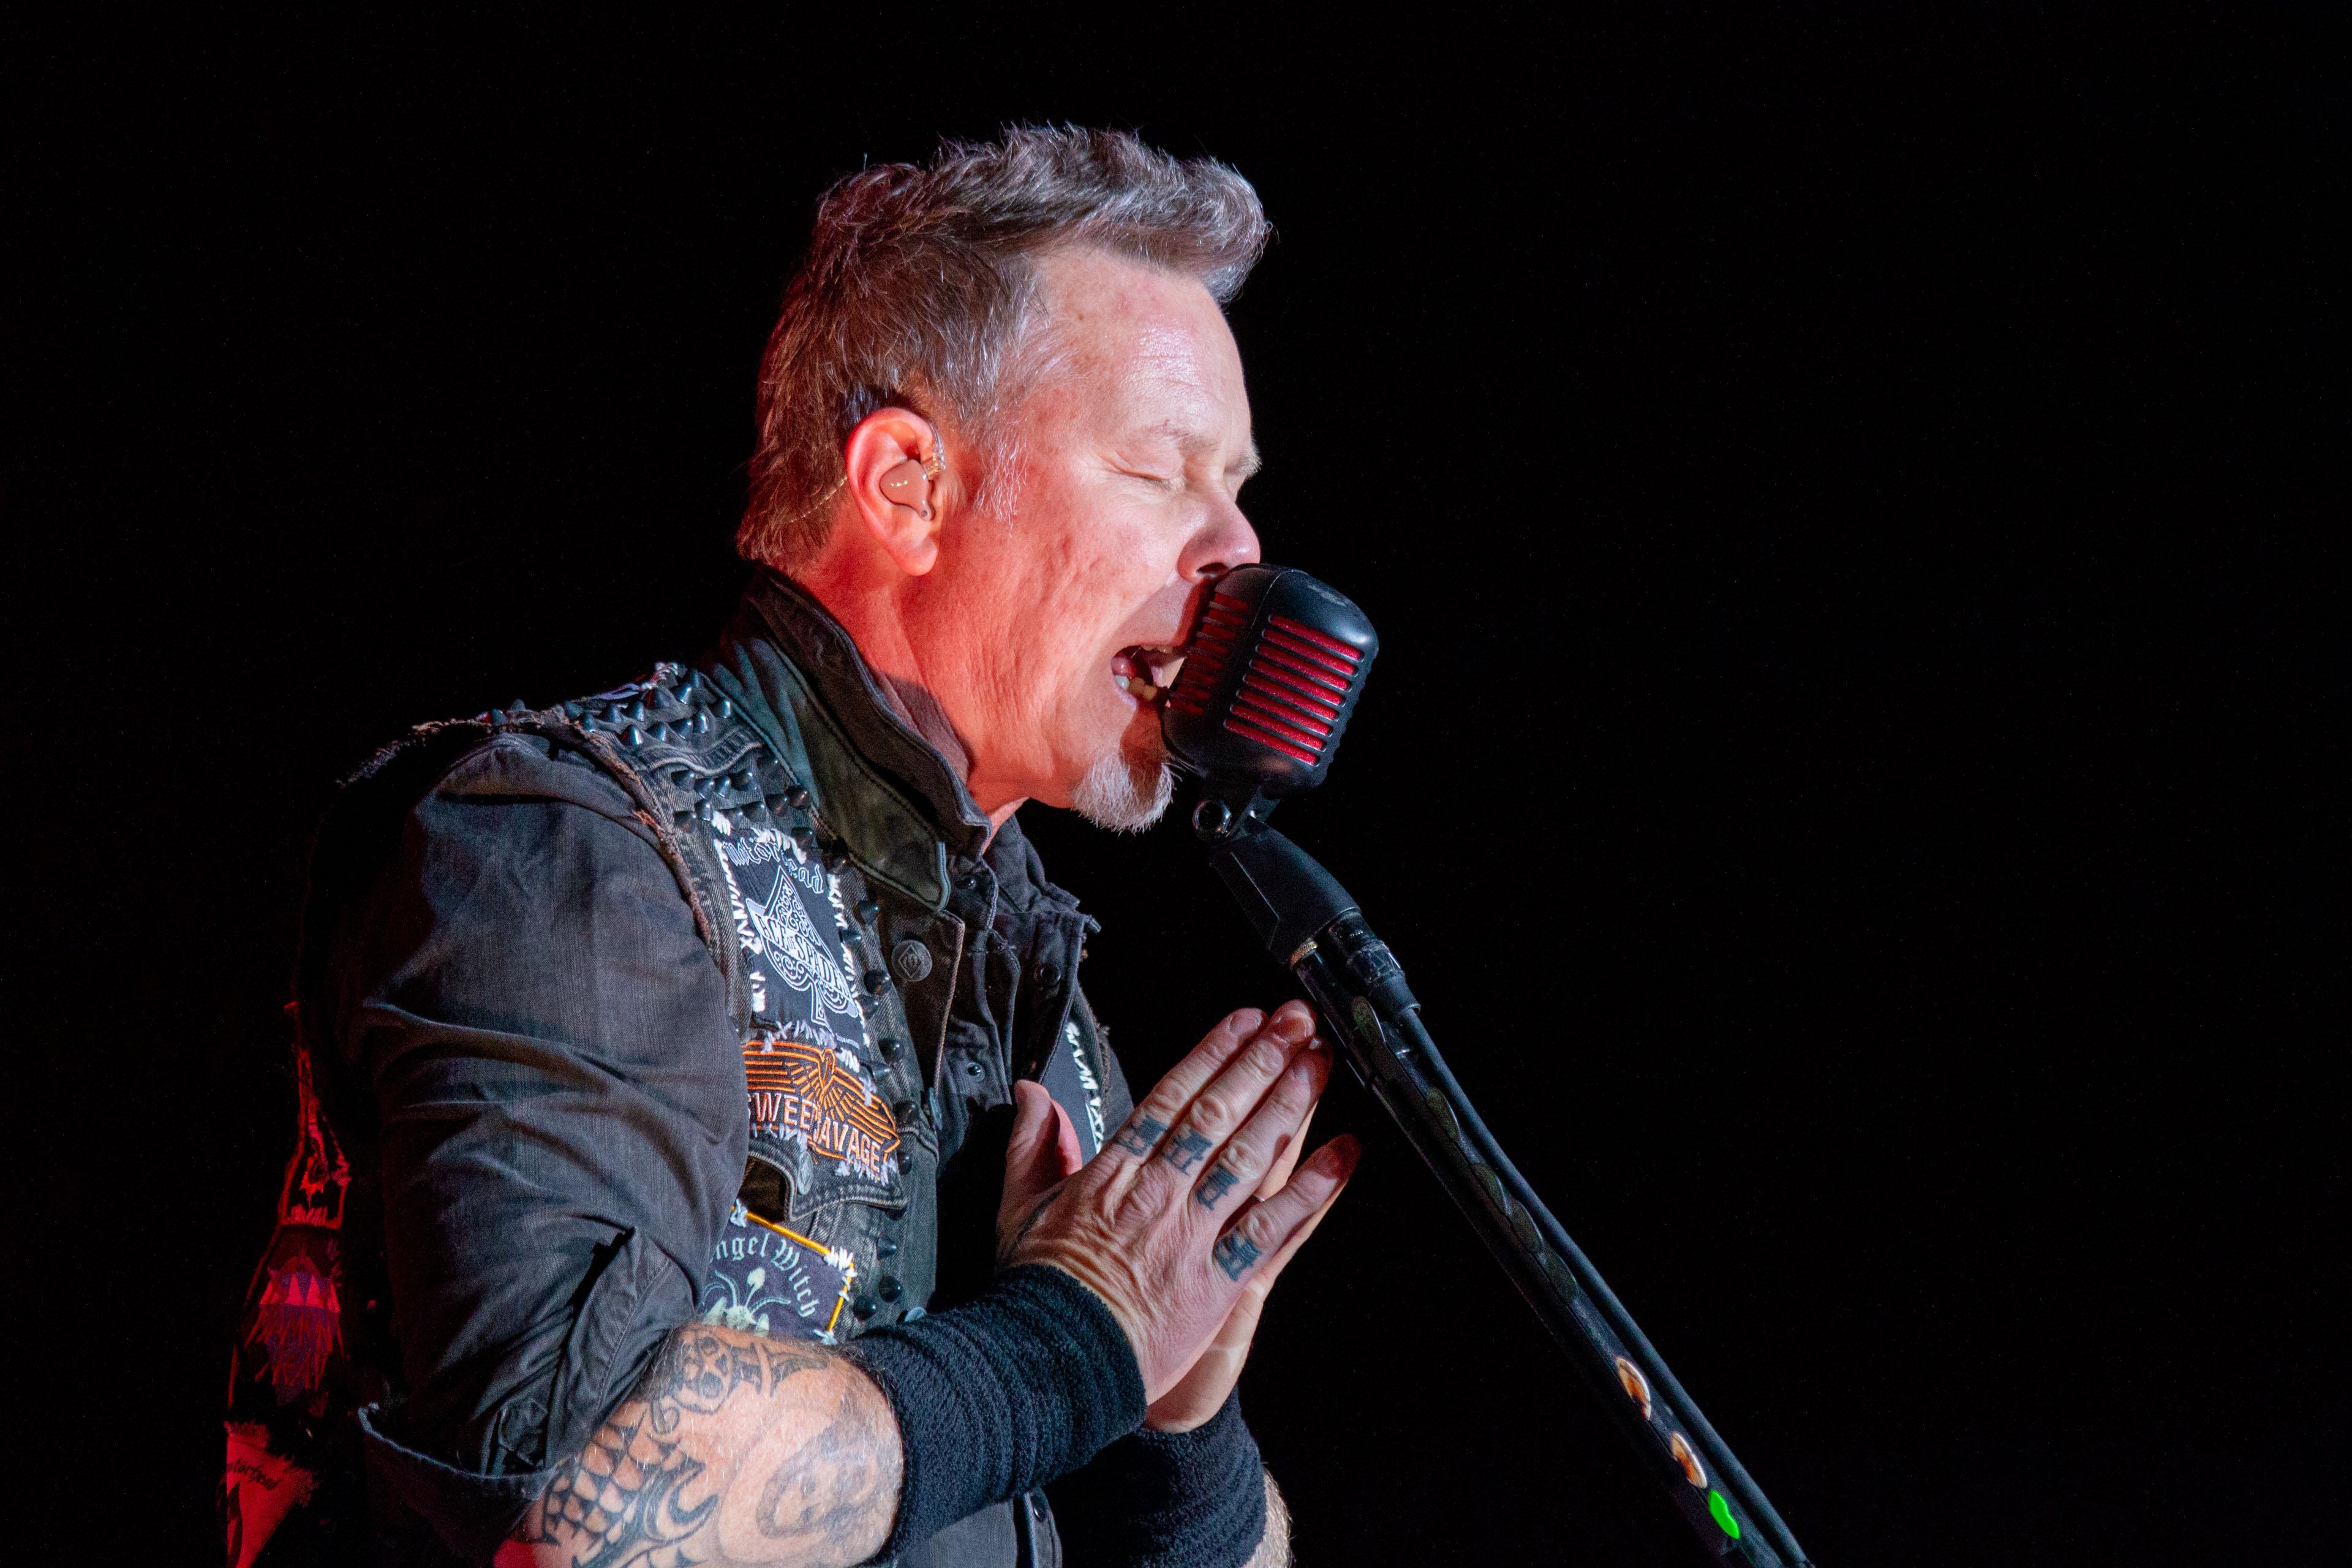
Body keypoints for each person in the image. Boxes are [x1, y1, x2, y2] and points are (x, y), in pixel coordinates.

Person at [222, 127, 1360, 1568]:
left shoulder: (1034, 983)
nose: (1236, 547)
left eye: (1237, 483)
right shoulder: (568, 845)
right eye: (1159, 471)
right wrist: (1077, 1341)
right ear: (907, 486)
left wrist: (1172, 1439)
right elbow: (570, 1500)